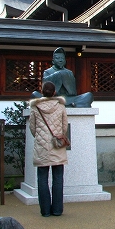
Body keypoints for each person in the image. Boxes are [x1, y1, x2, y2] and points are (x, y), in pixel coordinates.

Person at [29, 81, 68, 217]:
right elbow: (64, 126)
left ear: (42, 91)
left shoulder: (35, 107)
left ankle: (45, 211)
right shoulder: (61, 106)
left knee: (42, 178)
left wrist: (40, 137)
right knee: (58, 177)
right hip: (56, 146)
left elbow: (32, 128)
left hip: (41, 146)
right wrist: (57, 137)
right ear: (54, 92)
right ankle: (57, 210)